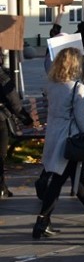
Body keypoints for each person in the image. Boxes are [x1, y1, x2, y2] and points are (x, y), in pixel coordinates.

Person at [33, 48, 84, 238]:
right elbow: (82, 119)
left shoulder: (51, 85)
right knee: (59, 181)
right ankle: (41, 221)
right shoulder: (77, 88)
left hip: (54, 136)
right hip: (70, 139)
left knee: (73, 177)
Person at [0, 60, 31, 198]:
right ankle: (1, 187)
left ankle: (2, 187)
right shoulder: (2, 76)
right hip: (1, 119)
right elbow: (15, 103)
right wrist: (26, 119)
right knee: (0, 156)